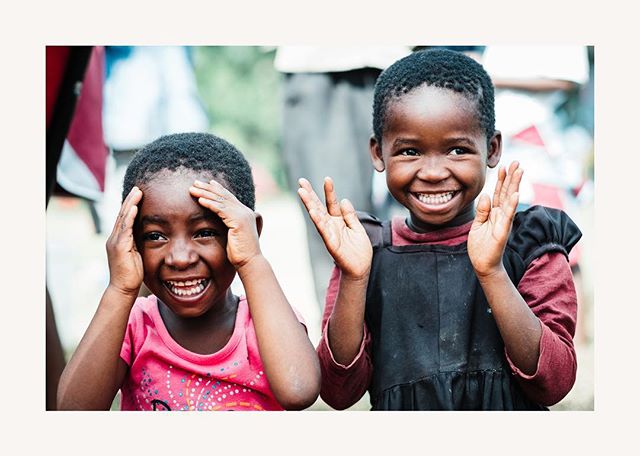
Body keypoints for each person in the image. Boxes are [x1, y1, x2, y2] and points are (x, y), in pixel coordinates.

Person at [297, 49, 581, 410]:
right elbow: (339, 393)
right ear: (378, 153)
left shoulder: (530, 245)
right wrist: (354, 279)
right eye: (410, 152)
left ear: (492, 148)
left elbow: (554, 383)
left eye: (458, 150)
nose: (433, 172)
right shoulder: (365, 254)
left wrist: (491, 272)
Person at [57, 132, 321, 411]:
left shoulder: (267, 322)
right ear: (131, 240)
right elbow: (73, 412)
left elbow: (299, 391)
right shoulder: (133, 326)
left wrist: (252, 260)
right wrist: (119, 289)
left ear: (248, 232)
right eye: (155, 236)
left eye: (204, 232)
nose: (180, 259)